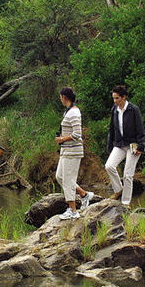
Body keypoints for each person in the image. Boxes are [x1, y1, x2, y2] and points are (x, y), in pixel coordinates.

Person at [54, 87, 94, 220]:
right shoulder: (68, 111)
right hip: (66, 151)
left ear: (64, 97)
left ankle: (72, 210)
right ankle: (84, 195)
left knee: (68, 180)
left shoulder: (74, 113)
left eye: (61, 97)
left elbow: (77, 134)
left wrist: (62, 139)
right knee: (60, 177)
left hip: (73, 151)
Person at [105, 85, 145, 205]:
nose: (115, 101)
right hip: (119, 144)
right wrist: (110, 145)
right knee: (109, 166)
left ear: (124, 97)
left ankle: (125, 203)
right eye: (113, 98)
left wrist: (141, 145)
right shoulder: (114, 110)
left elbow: (140, 128)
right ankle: (118, 190)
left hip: (133, 144)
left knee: (128, 175)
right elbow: (111, 129)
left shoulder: (133, 109)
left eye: (117, 98)